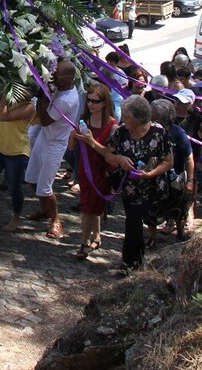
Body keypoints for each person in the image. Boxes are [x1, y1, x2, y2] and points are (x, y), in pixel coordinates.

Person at [84, 96, 172, 274]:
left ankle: (129, 262)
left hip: (151, 187)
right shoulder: (121, 132)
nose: (123, 119)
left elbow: (168, 161)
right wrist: (119, 159)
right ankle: (135, 262)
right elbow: (108, 155)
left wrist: (149, 174)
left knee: (133, 222)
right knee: (133, 222)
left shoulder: (158, 132)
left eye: (127, 116)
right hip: (128, 187)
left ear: (139, 118)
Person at [23, 60, 79, 241]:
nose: (53, 79)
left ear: (69, 78)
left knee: (45, 187)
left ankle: (56, 220)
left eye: (57, 76)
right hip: (44, 138)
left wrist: (43, 96)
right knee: (31, 178)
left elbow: (45, 119)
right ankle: (45, 209)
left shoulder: (68, 100)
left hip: (55, 144)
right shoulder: (61, 89)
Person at [68, 84, 116, 259]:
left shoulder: (112, 125)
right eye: (88, 100)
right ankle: (91, 238)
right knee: (88, 205)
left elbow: (110, 155)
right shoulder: (82, 119)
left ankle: (85, 241)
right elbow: (72, 148)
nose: (91, 104)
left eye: (95, 101)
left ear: (104, 103)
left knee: (92, 207)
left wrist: (91, 142)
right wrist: (73, 137)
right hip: (84, 170)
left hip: (101, 172)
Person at [0, 90, 35, 233]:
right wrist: (0, 88)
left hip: (16, 152)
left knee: (14, 187)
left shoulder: (29, 107)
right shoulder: (5, 98)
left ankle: (16, 217)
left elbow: (4, 116)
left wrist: (6, 92)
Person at [149, 99, 194, 243]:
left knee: (179, 207)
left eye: (155, 118)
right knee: (151, 208)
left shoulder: (178, 132)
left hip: (175, 178)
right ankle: (152, 237)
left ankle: (180, 232)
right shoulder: (148, 130)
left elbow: (189, 157)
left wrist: (190, 180)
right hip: (153, 176)